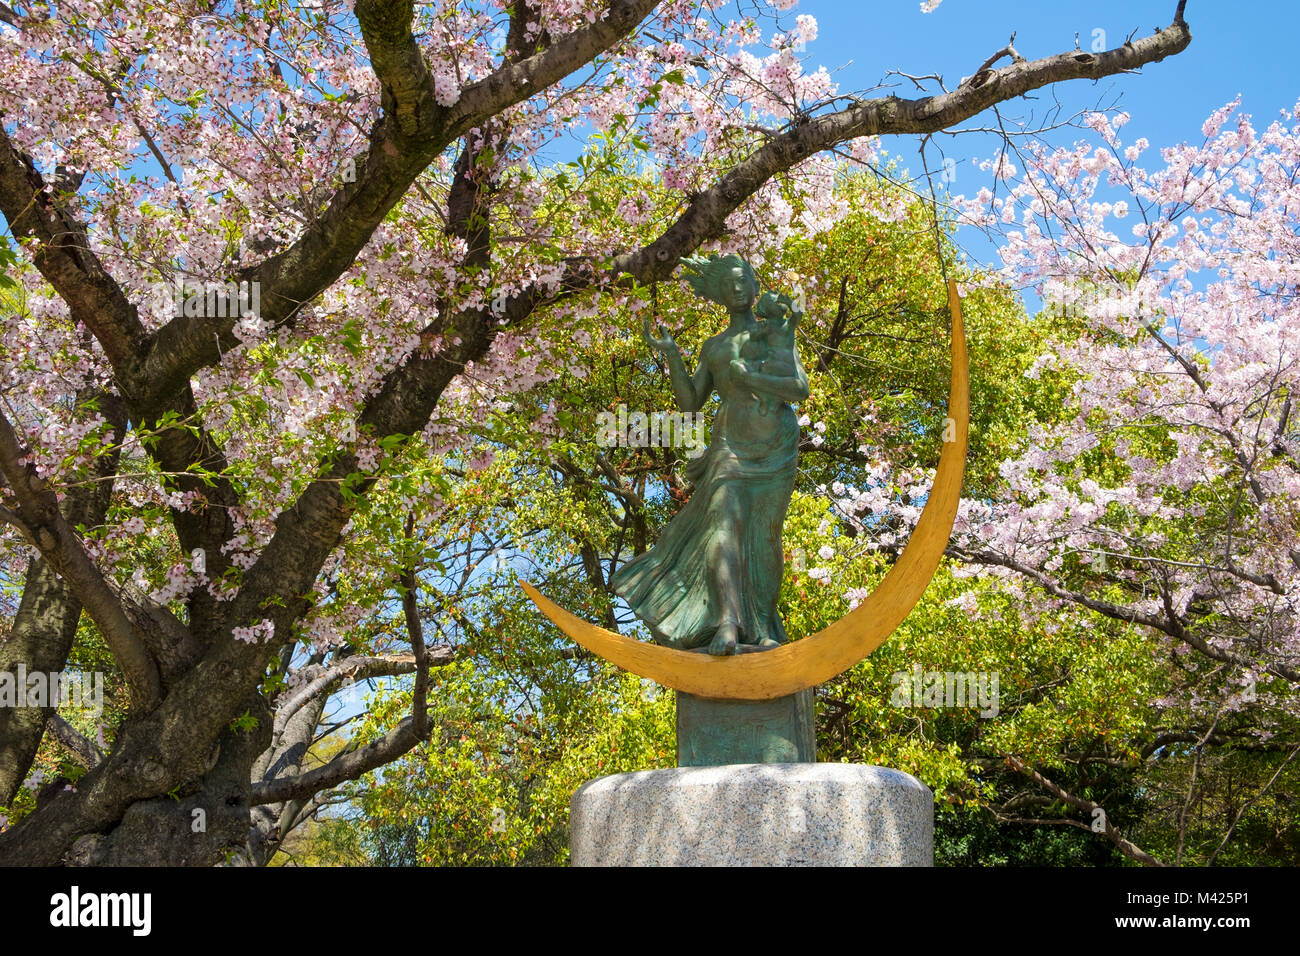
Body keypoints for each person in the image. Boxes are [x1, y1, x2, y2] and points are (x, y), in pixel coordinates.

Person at [611, 254, 809, 656]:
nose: (737, 289)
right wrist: (671, 354)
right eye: (728, 285)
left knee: (766, 537)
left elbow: (799, 389)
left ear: (756, 288)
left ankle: (765, 626)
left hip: (775, 448)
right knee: (724, 528)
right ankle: (728, 623)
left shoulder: (776, 333)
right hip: (729, 450)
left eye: (744, 281)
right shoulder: (715, 347)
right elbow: (690, 403)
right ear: (718, 296)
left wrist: (753, 378)